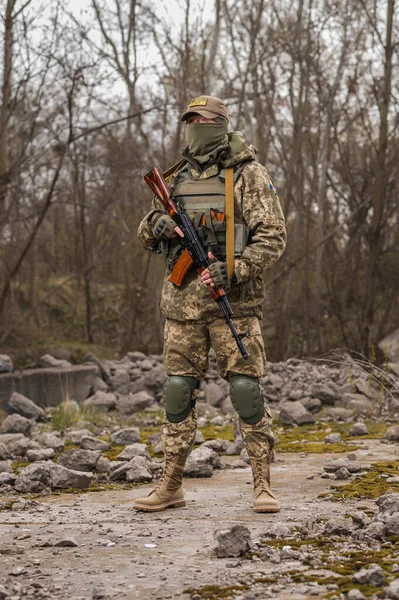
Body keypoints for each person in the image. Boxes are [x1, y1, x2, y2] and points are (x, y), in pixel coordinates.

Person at [134, 95, 286, 513]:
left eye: (204, 119)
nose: (196, 124)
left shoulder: (248, 176)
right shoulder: (175, 178)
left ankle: (262, 483)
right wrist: (156, 226)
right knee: (178, 390)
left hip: (233, 305)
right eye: (190, 119)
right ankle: (171, 484)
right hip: (182, 305)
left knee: (245, 389)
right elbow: (146, 234)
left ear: (221, 124)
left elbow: (273, 237)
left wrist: (234, 269)